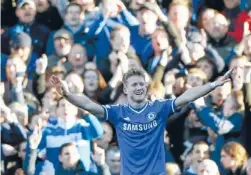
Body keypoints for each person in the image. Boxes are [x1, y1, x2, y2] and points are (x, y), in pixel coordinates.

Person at [51, 67, 233, 175]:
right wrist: (67, 94)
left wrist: (212, 85)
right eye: (134, 84)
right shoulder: (118, 112)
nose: (139, 87)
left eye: (142, 84)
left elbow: (187, 96)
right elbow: (89, 105)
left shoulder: (159, 108)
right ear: (126, 90)